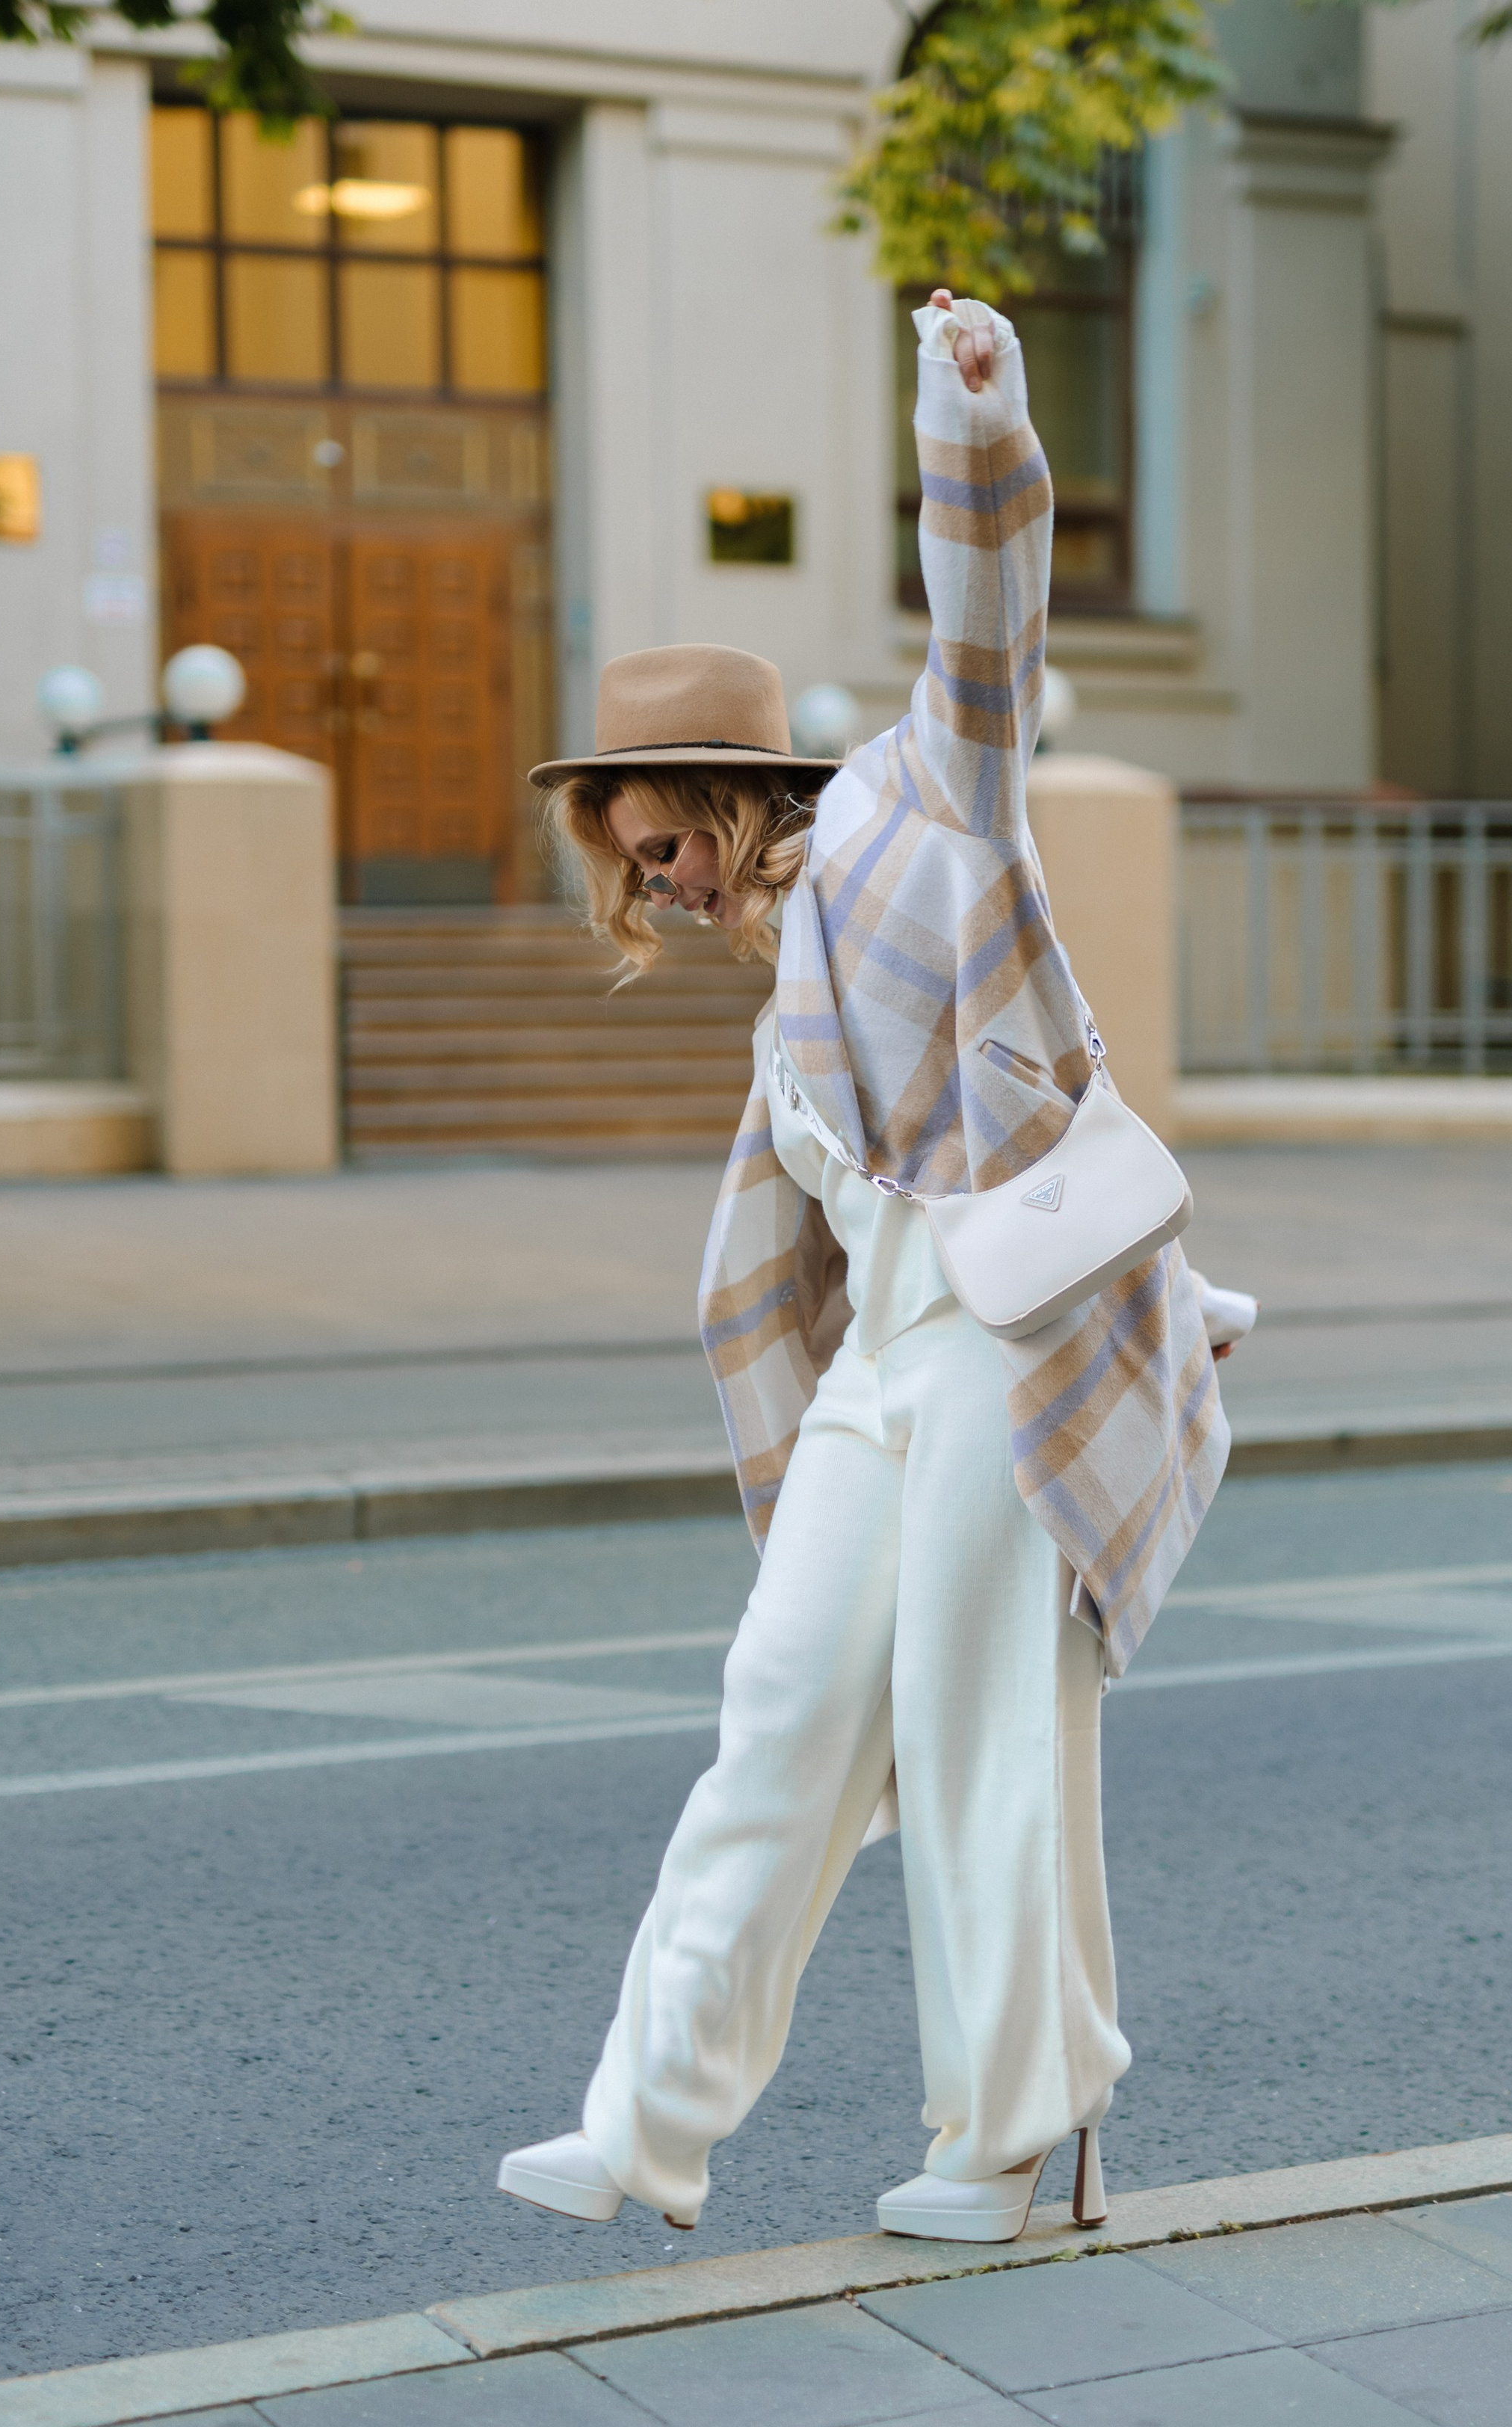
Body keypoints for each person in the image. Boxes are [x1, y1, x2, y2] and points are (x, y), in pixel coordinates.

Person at [500, 289, 1249, 2246]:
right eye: (628, 857)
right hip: (884, 1378)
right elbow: (789, 1242)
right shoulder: (780, 990)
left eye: (662, 840)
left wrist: (970, 413)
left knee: (994, 1728)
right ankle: (647, 2128)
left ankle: (1015, 2136)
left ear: (740, 793)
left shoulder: (934, 805)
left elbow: (985, 612)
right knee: (783, 1709)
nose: (654, 880)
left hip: (1020, 1350)